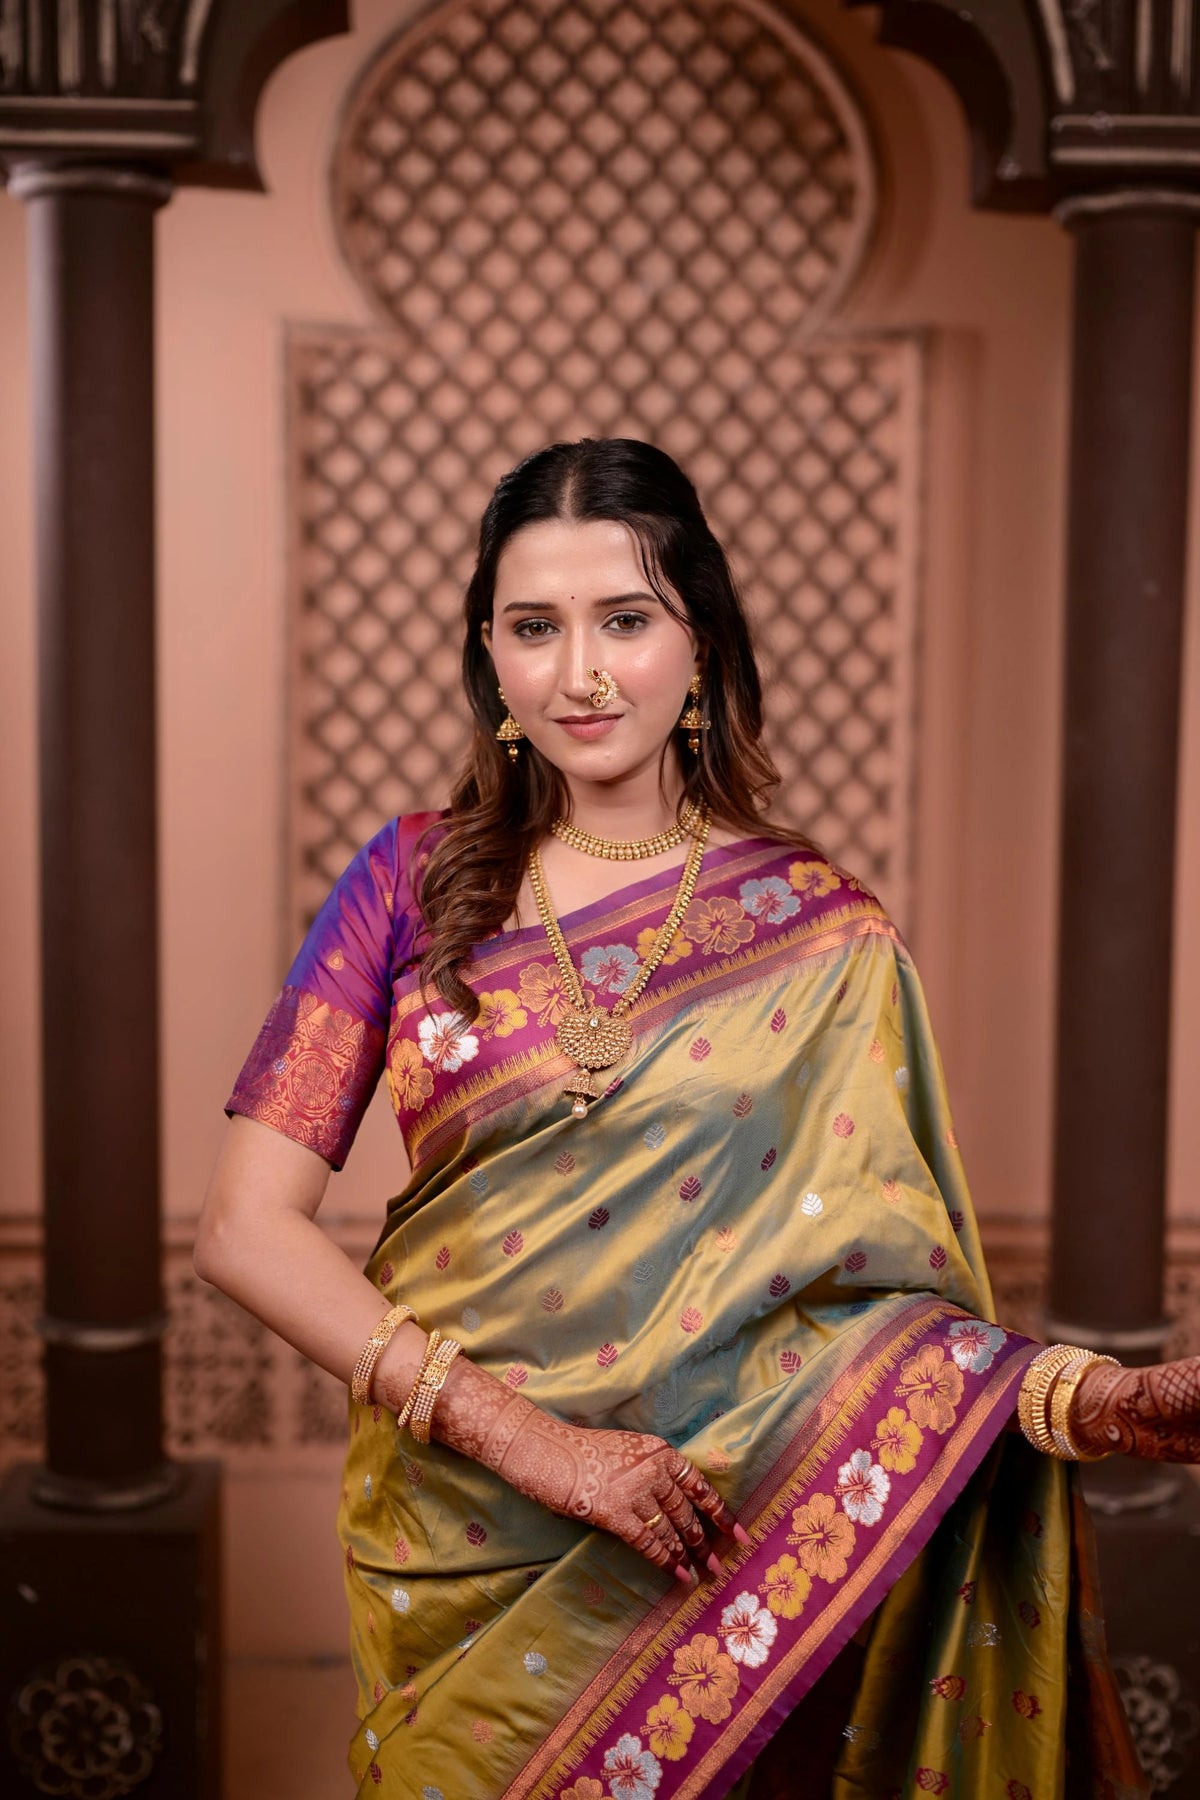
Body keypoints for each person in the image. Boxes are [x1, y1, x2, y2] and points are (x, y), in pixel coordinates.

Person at [195, 438, 1199, 1799]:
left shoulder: (821, 931)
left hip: (732, 1539)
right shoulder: (410, 883)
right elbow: (247, 1230)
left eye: (626, 620)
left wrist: (1093, 1399)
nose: (581, 674)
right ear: (489, 658)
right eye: (532, 629)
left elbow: (881, 1319)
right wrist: (539, 1447)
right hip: (468, 1539)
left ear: (702, 644)